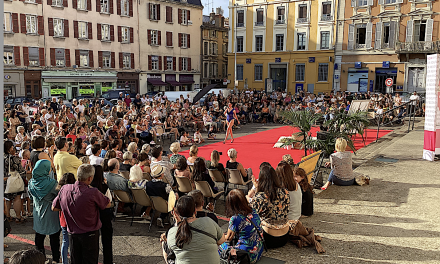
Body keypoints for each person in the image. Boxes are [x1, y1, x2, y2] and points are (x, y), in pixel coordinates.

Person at [52, 164, 111, 264]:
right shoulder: (92, 192)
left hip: (73, 233)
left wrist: (70, 208)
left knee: (75, 260)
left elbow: (54, 207)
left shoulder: (65, 189)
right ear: (90, 178)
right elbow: (107, 204)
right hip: (89, 235)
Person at [163, 196, 225, 264]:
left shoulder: (172, 232)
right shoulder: (209, 221)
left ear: (177, 213)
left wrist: (177, 224)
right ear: (195, 210)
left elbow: (171, 247)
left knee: (164, 245)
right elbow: (222, 240)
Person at [28, 160, 61, 263]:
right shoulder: (52, 183)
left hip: (38, 212)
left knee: (39, 237)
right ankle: (56, 258)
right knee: (54, 238)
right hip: (51, 214)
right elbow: (58, 197)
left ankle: (40, 258)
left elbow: (30, 197)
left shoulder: (31, 183)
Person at [250, 164, 290, 249]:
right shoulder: (285, 191)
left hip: (268, 238)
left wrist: (252, 194)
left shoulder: (261, 196)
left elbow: (251, 212)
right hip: (285, 235)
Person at [219, 189, 264, 264]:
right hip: (258, 250)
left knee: (221, 246)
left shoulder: (235, 218)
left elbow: (228, 238)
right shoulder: (253, 211)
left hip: (245, 255)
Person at [90, 165, 114, 264]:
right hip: (104, 215)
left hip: (93, 215)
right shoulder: (104, 187)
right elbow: (110, 201)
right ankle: (108, 261)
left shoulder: (89, 187)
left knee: (93, 241)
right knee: (107, 240)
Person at [56, 173, 76, 264]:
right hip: (73, 220)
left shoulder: (60, 191)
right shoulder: (75, 191)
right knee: (73, 243)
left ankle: (64, 261)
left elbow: (54, 206)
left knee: (65, 241)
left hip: (63, 219)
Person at [4, 140, 26, 223]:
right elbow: (20, 169)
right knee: (17, 198)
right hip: (12, 180)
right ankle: (18, 216)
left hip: (4, 181)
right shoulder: (12, 158)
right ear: (11, 148)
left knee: (7, 199)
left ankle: (8, 216)